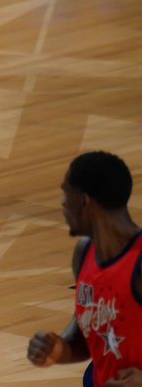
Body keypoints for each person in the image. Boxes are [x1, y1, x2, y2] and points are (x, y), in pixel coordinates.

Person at [27, 151, 142, 386]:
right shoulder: (84, 253)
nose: (62, 204)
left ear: (84, 201)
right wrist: (56, 349)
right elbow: (83, 337)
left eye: (65, 193)